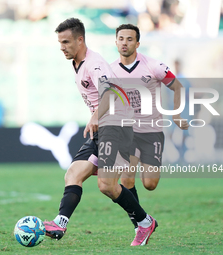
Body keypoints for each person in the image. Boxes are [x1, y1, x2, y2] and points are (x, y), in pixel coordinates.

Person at [44, 18, 157, 246]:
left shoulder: (94, 64)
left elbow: (110, 93)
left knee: (107, 185)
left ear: (80, 39)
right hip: (104, 128)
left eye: (66, 42)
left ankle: (145, 223)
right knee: (73, 174)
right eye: (60, 42)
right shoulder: (77, 61)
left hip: (119, 127)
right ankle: (60, 222)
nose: (62, 47)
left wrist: (95, 116)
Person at [110, 24, 189, 228]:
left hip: (151, 132)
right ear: (116, 41)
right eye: (121, 38)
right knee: (127, 180)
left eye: (129, 39)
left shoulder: (154, 66)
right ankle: (141, 226)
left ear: (137, 43)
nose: (124, 43)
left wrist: (177, 116)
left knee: (150, 184)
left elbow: (178, 87)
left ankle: (142, 224)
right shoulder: (109, 70)